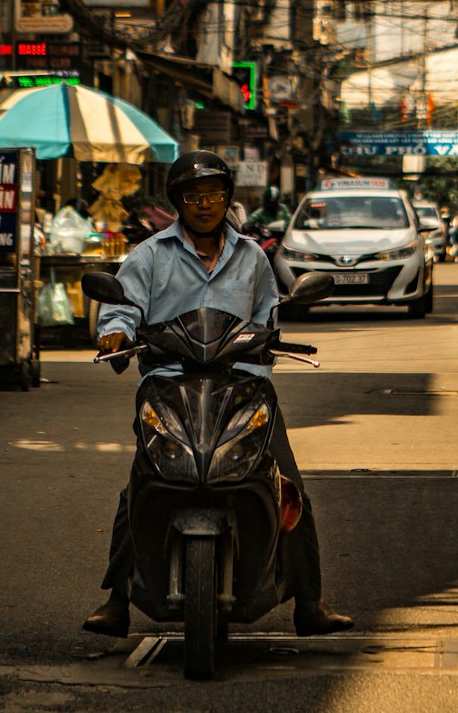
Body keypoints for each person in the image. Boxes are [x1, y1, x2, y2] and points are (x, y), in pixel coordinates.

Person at [83, 151, 354, 640]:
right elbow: (120, 307)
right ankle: (117, 600)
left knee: (287, 484)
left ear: (227, 198)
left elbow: (270, 313)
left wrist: (273, 339)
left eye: (212, 193)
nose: (204, 203)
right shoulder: (149, 256)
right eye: (192, 195)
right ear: (177, 202)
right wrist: (116, 333)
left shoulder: (251, 257)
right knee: (141, 483)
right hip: (168, 383)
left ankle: (310, 602)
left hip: (244, 384)